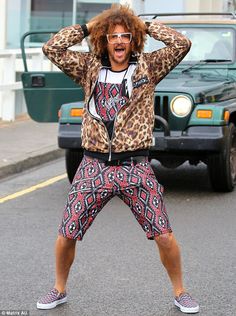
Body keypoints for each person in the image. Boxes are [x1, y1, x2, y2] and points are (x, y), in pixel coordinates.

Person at [37, 4, 199, 314]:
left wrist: (145, 26)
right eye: (113, 36)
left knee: (163, 234)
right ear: (104, 40)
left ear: (133, 39)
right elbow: (51, 48)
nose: (120, 41)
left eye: (126, 35)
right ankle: (59, 289)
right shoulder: (88, 67)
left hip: (134, 166)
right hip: (93, 165)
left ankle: (181, 292)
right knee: (67, 232)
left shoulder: (148, 68)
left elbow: (181, 44)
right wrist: (88, 27)